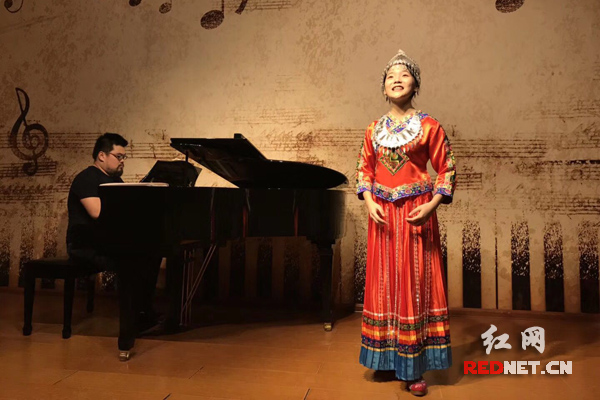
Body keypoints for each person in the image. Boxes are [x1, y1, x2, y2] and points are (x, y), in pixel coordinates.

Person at [356, 50, 456, 396]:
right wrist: (370, 201)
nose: (396, 80)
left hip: (416, 213)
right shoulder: (373, 129)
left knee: (414, 285)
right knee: (384, 284)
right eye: (390, 76)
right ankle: (385, 359)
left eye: (404, 75)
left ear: (416, 84)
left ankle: (413, 366)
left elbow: (447, 170)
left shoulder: (429, 126)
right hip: (382, 215)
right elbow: (364, 170)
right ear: (383, 87)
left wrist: (431, 206)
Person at [67, 133, 161, 360]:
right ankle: (127, 335)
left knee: (153, 253)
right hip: (84, 246)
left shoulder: (116, 182)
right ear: (102, 155)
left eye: (124, 157)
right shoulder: (86, 179)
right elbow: (97, 212)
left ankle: (143, 313)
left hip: (107, 243)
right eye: (119, 156)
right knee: (131, 261)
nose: (122, 161)